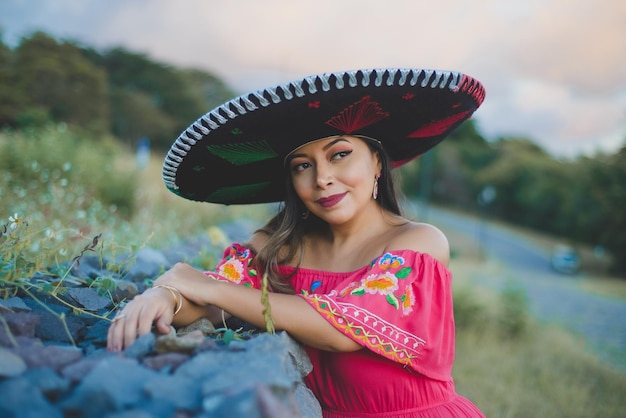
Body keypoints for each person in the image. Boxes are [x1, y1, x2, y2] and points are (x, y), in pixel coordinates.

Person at [108, 68, 486, 417]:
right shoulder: (278, 248)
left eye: (340, 155)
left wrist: (206, 286)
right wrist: (167, 296)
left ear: (377, 163)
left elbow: (341, 332)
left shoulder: (418, 242)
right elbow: (209, 306)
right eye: (302, 165)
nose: (322, 178)